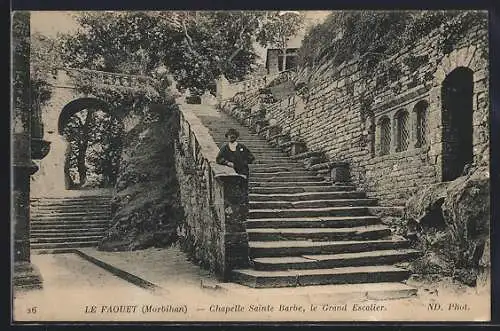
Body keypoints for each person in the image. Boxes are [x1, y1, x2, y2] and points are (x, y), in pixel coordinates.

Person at [216, 128, 255, 205]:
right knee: (233, 190)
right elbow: (218, 159)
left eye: (233, 136)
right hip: (231, 172)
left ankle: (244, 207)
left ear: (236, 137)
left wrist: (243, 162)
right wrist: (227, 162)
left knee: (243, 189)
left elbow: (251, 157)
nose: (231, 137)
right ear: (227, 137)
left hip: (243, 171)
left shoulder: (242, 147)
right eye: (230, 136)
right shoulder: (225, 148)